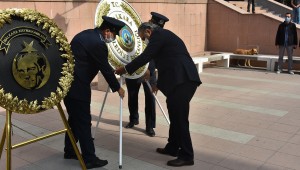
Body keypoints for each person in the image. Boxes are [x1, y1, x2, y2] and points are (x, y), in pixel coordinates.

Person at [115, 22, 201, 167]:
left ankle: (187, 155)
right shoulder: (164, 37)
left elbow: (146, 56)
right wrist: (158, 84)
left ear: (148, 31)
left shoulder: (159, 35)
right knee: (174, 114)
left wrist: (125, 69)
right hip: (179, 80)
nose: (143, 41)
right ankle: (172, 147)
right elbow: (166, 62)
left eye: (143, 37)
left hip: (184, 80)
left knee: (180, 118)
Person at [63, 16, 125, 169]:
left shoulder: (86, 35)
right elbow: (105, 68)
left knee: (74, 120)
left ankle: (70, 150)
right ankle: (89, 158)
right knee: (84, 122)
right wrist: (118, 87)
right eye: (114, 35)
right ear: (107, 31)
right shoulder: (98, 43)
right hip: (78, 87)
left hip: (68, 86)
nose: (113, 38)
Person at [124, 12, 169, 137]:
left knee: (150, 98)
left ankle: (150, 126)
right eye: (154, 24)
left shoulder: (159, 37)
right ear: (151, 22)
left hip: (150, 71)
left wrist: (149, 68)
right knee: (132, 95)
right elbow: (133, 48)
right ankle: (133, 119)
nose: (156, 29)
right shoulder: (142, 30)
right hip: (135, 68)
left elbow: (155, 55)